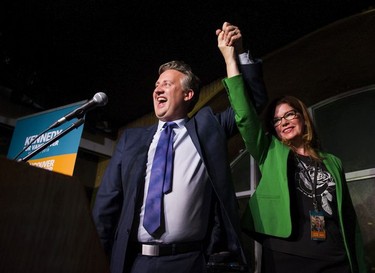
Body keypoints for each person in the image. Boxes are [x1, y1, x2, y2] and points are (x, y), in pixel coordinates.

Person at [92, 23, 267, 273]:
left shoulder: (209, 129)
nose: (157, 88)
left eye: (167, 84)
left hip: (191, 261)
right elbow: (106, 206)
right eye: (156, 84)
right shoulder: (131, 140)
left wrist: (236, 55)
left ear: (187, 94)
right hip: (135, 262)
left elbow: (252, 105)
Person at [216, 23, 367, 272]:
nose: (283, 122)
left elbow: (349, 221)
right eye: (276, 120)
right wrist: (232, 59)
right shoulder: (269, 151)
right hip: (287, 255)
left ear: (303, 117)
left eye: (289, 115)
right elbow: (244, 115)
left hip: (336, 256)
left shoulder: (333, 161)